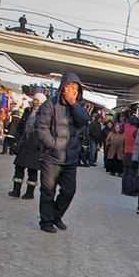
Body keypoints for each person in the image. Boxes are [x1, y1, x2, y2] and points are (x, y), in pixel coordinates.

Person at [35, 72, 90, 233]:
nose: (72, 91)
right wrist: (53, 145)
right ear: (62, 88)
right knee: (48, 191)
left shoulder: (78, 107)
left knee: (69, 191)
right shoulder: (50, 105)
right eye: (70, 87)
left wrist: (73, 104)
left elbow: (85, 120)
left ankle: (55, 216)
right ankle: (46, 222)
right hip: (51, 157)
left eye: (75, 88)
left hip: (70, 158)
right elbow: (41, 128)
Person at [8, 93, 46, 199]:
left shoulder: (45, 114)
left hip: (35, 146)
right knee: (19, 168)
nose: (35, 103)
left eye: (37, 101)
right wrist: (16, 139)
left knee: (32, 171)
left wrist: (41, 144)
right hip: (24, 144)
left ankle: (30, 193)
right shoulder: (27, 111)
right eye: (34, 100)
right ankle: (16, 191)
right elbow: (20, 126)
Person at [121, 116, 139, 195]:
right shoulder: (136, 131)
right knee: (131, 174)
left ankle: (124, 190)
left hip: (126, 152)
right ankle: (130, 191)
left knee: (125, 173)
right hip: (132, 153)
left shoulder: (126, 129)